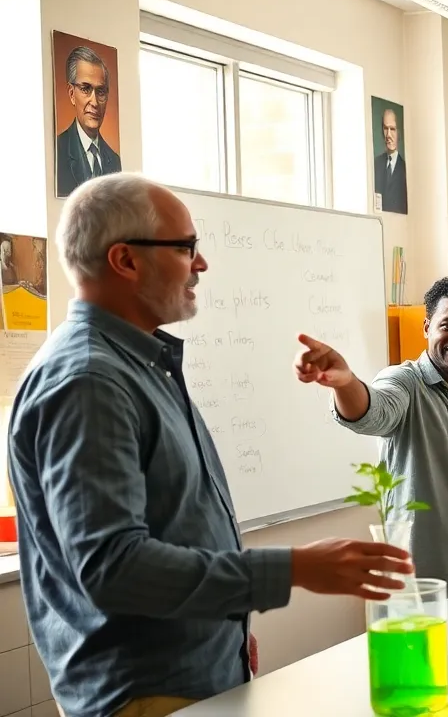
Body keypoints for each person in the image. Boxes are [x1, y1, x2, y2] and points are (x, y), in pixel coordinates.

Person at [7, 173, 411, 717]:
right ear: (125, 260)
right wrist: (292, 568)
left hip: (190, 676)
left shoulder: (138, 363)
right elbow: (113, 568)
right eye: (185, 248)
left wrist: (226, 633)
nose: (201, 265)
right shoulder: (90, 381)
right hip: (143, 693)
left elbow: (174, 520)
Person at [295, 275, 448, 592]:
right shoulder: (404, 383)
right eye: (447, 325)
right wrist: (346, 383)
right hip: (420, 593)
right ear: (427, 327)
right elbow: (372, 414)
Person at [56, 46, 122, 198]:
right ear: (72, 94)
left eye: (100, 91)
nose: (94, 102)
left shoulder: (115, 160)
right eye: (86, 89)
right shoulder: (59, 150)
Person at [373, 107, 407, 215]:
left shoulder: (404, 168)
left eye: (392, 129)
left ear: (399, 133)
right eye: (385, 128)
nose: (388, 135)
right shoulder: (376, 164)